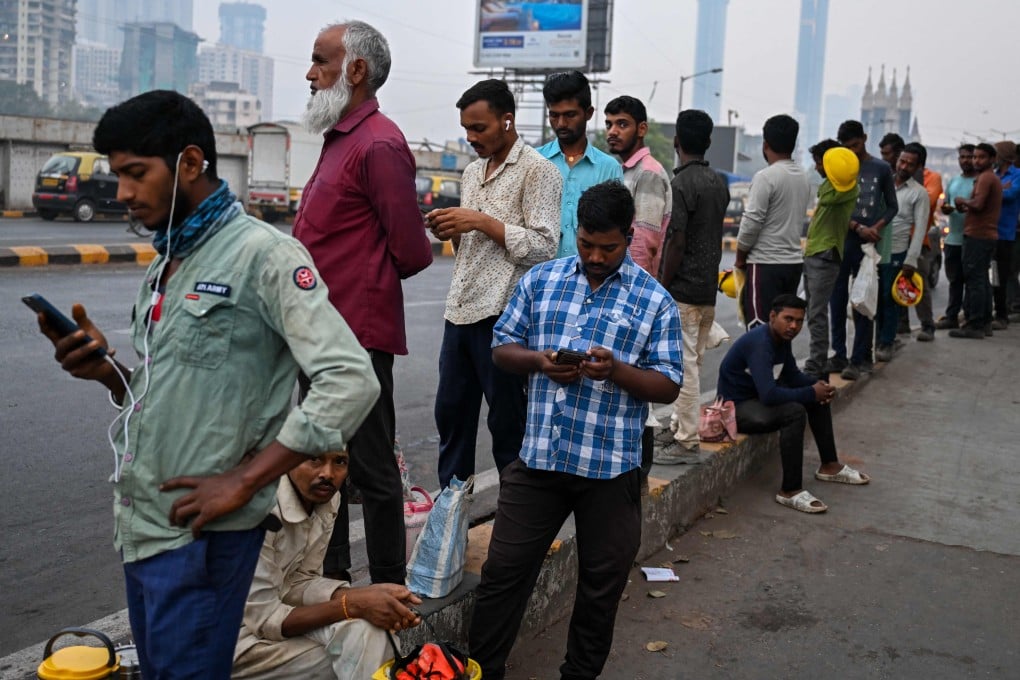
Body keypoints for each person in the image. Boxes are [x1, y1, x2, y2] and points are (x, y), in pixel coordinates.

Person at [34, 90, 380, 678]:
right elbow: (172, 392)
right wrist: (109, 373)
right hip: (144, 527)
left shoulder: (264, 255)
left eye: (136, 174)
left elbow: (350, 379)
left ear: (190, 163)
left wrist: (246, 480)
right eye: (117, 175)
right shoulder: (167, 263)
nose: (122, 193)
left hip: (204, 539)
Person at [469, 181, 683, 679]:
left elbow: (668, 384)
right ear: (576, 231)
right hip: (540, 458)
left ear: (629, 237)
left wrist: (619, 371)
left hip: (610, 471)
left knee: (600, 586)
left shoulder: (655, 301)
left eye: (607, 248)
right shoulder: (542, 281)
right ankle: (483, 670)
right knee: (503, 573)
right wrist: (541, 362)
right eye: (586, 244)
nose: (595, 255)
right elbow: (502, 348)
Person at [294, 20, 433, 585]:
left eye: (320, 61)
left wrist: (364, 277)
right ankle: (330, 584)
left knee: (372, 470)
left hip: (356, 336)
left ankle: (387, 592)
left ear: (355, 71)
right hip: (319, 331)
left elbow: (412, 250)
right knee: (324, 466)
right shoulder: (341, 139)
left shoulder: (379, 144)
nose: (310, 73)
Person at [427, 79, 561, 487]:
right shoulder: (471, 172)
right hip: (460, 311)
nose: (471, 138)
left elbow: (544, 245)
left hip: (504, 319)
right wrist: (450, 228)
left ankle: (518, 527)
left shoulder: (539, 171)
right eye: (466, 128)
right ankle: (450, 527)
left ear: (507, 121)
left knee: (508, 428)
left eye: (479, 128)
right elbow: (471, 244)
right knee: (451, 420)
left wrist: (481, 222)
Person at [232, 450, 422, 679]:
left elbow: (300, 580)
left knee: (371, 632)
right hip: (229, 642)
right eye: (314, 459)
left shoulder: (327, 497)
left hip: (272, 618)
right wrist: (353, 605)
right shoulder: (258, 509)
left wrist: (362, 596)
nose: (328, 474)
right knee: (352, 653)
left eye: (340, 462)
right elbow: (265, 619)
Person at [717, 294, 869, 514]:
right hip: (736, 408)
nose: (793, 326)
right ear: (772, 316)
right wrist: (810, 392)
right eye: (788, 319)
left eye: (799, 321)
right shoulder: (760, 343)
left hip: (757, 400)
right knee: (795, 411)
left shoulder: (781, 339)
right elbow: (769, 395)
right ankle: (790, 490)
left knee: (817, 396)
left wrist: (819, 387)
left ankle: (829, 465)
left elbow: (792, 375)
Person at [603, 94, 673, 476]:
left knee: (633, 383)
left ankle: (637, 476)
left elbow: (644, 243)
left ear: (641, 129)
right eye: (610, 123)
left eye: (623, 124)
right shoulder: (623, 171)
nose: (614, 131)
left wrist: (629, 297)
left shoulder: (646, 173)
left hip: (633, 291)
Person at [656, 109, 729, 463]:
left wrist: (662, 283)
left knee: (683, 367)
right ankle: (677, 426)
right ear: (709, 142)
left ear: (676, 142)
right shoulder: (718, 182)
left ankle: (686, 440)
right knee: (693, 364)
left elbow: (677, 241)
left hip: (683, 290)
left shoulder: (681, 184)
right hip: (707, 290)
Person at [829, 120, 898, 380]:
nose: (853, 151)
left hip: (869, 245)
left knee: (863, 301)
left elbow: (892, 206)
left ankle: (859, 358)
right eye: (847, 147)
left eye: (856, 145)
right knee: (836, 301)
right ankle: (839, 354)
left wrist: (876, 227)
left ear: (865, 138)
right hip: (842, 240)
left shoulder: (880, 169)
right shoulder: (839, 166)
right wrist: (857, 227)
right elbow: (834, 207)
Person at [734, 114, 812, 328]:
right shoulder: (803, 177)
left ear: (765, 144)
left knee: (759, 326)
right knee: (784, 327)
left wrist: (740, 257)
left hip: (765, 263)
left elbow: (751, 222)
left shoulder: (766, 177)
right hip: (793, 264)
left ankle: (762, 363)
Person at [537, 70, 623, 257]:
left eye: (570, 115)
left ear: (588, 113)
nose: (560, 123)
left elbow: (614, 231)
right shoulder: (534, 162)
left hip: (589, 279)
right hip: (540, 277)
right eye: (554, 115)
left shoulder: (608, 169)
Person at [801, 141, 860, 379]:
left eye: (820, 162)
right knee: (813, 311)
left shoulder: (843, 188)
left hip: (825, 254)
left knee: (816, 312)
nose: (817, 168)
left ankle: (816, 364)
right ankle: (817, 360)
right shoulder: (834, 185)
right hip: (816, 252)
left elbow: (824, 197)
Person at [874, 143, 929, 361]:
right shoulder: (882, 183)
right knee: (874, 299)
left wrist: (911, 259)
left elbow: (920, 228)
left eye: (910, 164)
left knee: (890, 299)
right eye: (902, 161)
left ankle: (887, 342)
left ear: (918, 167)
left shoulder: (918, 193)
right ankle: (876, 340)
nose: (904, 166)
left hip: (897, 253)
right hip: (874, 250)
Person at [950, 143, 1003, 339]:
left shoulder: (986, 178)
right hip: (984, 235)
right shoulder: (989, 178)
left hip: (979, 236)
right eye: (975, 157)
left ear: (991, 159)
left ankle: (975, 324)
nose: (976, 161)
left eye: (981, 157)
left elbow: (978, 204)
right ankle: (985, 322)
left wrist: (962, 201)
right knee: (981, 279)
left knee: (975, 280)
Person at [936, 144, 976, 329]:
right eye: (962, 157)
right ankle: (951, 316)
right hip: (952, 238)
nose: (965, 160)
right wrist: (946, 208)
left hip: (971, 239)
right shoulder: (953, 181)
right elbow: (945, 204)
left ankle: (968, 316)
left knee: (971, 281)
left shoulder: (979, 182)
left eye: (969, 157)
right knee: (954, 281)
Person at [991, 141, 1020, 329]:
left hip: (1008, 233)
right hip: (990, 232)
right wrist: (1001, 189)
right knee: (993, 276)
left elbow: (1009, 195)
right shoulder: (994, 176)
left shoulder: (1017, 175)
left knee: (1005, 273)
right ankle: (997, 310)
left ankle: (1004, 314)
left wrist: (995, 191)